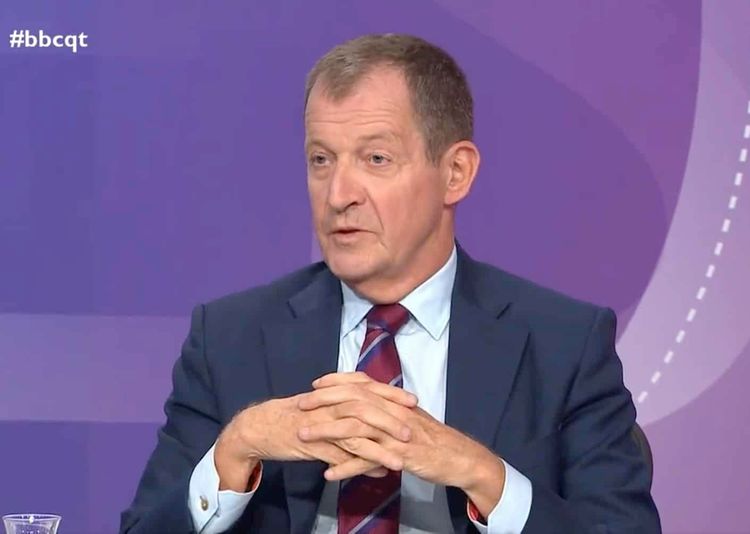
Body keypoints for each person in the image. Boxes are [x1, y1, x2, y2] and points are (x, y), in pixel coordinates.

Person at [120, 33, 660, 533]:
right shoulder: (230, 338)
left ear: (455, 173)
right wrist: (234, 451)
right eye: (320, 160)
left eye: (376, 159)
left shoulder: (562, 345)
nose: (338, 195)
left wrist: (480, 472)